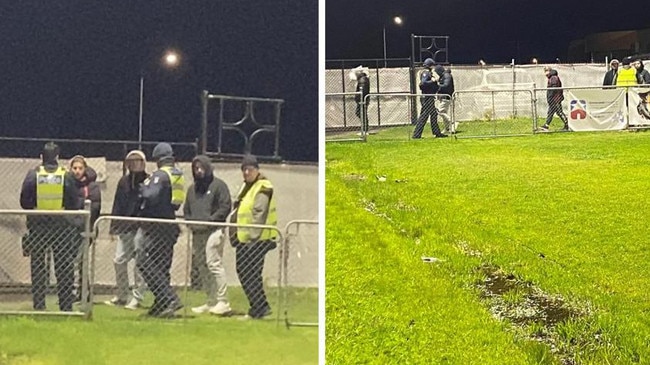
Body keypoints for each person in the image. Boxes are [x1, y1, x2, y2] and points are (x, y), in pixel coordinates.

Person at [20, 142, 83, 311]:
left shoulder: (33, 175)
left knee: (38, 267)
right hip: (61, 226)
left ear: (41, 157)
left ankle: (39, 305)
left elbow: (24, 201)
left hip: (38, 225)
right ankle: (65, 306)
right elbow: (75, 203)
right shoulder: (66, 176)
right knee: (63, 267)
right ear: (57, 157)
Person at [137, 142, 185, 317]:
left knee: (143, 262)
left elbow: (151, 195)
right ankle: (161, 303)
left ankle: (169, 297)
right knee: (161, 267)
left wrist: (143, 188)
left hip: (156, 225)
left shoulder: (161, 175)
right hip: (169, 224)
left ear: (158, 159)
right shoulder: (177, 175)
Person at [185, 155, 233, 316]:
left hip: (214, 230)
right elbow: (187, 210)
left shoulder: (219, 185)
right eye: (195, 168)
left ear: (207, 167)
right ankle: (211, 300)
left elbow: (225, 206)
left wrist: (211, 220)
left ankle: (223, 301)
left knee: (213, 263)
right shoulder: (192, 189)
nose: (198, 171)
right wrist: (191, 223)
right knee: (202, 266)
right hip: (197, 232)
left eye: (201, 167)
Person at [230, 155, 277, 320]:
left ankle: (259, 307)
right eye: (244, 169)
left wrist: (252, 237)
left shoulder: (263, 186)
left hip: (258, 240)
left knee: (251, 273)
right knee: (245, 272)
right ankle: (259, 306)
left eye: (250, 169)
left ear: (257, 170)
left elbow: (260, 212)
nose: (246, 172)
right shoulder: (247, 186)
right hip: (245, 239)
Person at [105, 150, 149, 310]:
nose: (135, 164)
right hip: (125, 229)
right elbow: (117, 204)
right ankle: (122, 295)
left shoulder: (149, 181)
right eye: (132, 161)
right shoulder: (123, 182)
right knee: (119, 261)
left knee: (139, 265)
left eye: (138, 161)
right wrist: (113, 227)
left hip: (140, 230)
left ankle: (137, 298)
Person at [69, 155, 101, 303]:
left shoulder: (93, 186)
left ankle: (83, 292)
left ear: (85, 169)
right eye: (74, 168)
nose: (77, 171)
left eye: (80, 168)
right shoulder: (68, 183)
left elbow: (94, 207)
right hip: (70, 229)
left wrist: (78, 205)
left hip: (86, 229)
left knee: (81, 260)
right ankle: (75, 291)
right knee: (72, 260)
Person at [412, 58, 446, 139]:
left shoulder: (428, 73)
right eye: (432, 65)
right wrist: (433, 81)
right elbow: (423, 83)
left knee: (433, 114)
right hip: (426, 97)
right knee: (424, 116)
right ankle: (416, 135)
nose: (433, 67)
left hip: (429, 97)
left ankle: (436, 132)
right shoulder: (426, 73)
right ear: (429, 65)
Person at [539, 67, 569, 132]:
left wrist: (550, 97)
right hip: (553, 99)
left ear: (549, 71)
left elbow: (553, 88)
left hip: (555, 99)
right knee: (550, 112)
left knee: (559, 112)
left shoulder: (553, 77)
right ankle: (546, 125)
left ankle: (568, 125)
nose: (545, 73)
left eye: (546, 71)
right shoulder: (551, 78)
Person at [435, 64, 455, 134]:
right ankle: (447, 128)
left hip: (446, 97)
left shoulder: (446, 76)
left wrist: (437, 86)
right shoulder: (443, 76)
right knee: (443, 113)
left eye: (437, 72)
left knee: (440, 111)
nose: (437, 73)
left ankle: (452, 122)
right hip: (443, 97)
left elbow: (446, 85)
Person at [351, 65, 370, 135]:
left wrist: (360, 99)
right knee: (361, 113)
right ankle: (364, 129)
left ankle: (365, 130)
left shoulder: (363, 79)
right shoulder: (362, 79)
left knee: (362, 113)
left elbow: (363, 91)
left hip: (362, 100)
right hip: (362, 100)